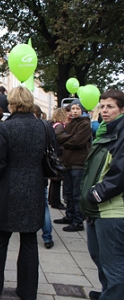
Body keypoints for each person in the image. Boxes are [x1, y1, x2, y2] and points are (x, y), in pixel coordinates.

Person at [0, 86, 46, 300]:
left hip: (9, 189)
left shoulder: (6, 128)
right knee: (29, 242)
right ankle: (28, 291)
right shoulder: (43, 126)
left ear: (12, 103)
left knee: (0, 241)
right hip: (34, 187)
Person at [80, 89, 124, 300]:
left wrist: (96, 194)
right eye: (103, 106)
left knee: (114, 265)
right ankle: (108, 292)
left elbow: (119, 174)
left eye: (110, 107)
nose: (105, 111)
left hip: (112, 210)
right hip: (97, 209)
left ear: (122, 109)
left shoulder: (121, 132)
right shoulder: (106, 130)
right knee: (99, 257)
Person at [54, 99, 91, 231]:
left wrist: (66, 139)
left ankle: (78, 221)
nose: (74, 111)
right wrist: (68, 138)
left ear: (82, 110)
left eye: (77, 108)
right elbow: (58, 137)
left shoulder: (85, 124)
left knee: (76, 194)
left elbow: (77, 141)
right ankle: (69, 216)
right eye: (72, 109)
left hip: (78, 164)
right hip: (68, 163)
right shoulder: (70, 123)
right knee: (68, 193)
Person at [33, 104, 54, 250]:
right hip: (43, 170)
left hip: (32, 170)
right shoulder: (47, 126)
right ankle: (47, 237)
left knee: (39, 203)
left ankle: (32, 230)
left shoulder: (33, 127)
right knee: (44, 204)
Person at [48, 108, 68, 209]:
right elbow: (57, 139)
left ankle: (52, 200)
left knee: (54, 180)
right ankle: (56, 202)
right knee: (57, 179)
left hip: (53, 154)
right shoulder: (60, 126)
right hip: (59, 155)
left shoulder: (52, 124)